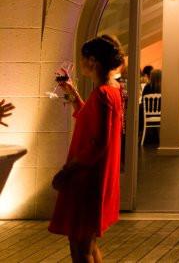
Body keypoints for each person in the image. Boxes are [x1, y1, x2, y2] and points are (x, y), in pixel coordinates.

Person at [48, 35, 125, 262]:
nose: (81, 63)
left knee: (79, 246)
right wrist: (73, 95)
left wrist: (67, 170)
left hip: (87, 177)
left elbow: (98, 142)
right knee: (88, 243)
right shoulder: (112, 89)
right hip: (98, 175)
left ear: (92, 61)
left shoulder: (102, 93)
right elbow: (89, 119)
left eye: (83, 58)